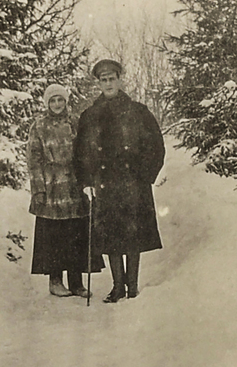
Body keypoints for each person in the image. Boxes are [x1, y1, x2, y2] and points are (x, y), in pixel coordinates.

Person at [74, 59, 165, 303]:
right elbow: (80, 151)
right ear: (98, 83)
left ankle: (132, 286)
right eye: (103, 80)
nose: (108, 84)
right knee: (111, 236)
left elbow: (156, 146)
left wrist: (145, 175)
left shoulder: (138, 111)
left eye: (111, 79)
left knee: (133, 234)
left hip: (132, 183)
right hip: (105, 184)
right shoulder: (90, 115)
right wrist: (86, 181)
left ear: (119, 79)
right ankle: (118, 287)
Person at [27, 84, 104, 298]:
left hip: (74, 187)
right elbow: (34, 161)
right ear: (47, 103)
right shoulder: (39, 126)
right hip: (51, 189)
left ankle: (77, 283)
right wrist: (38, 190)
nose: (57, 104)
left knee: (76, 235)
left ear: (66, 101)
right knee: (55, 237)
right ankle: (55, 281)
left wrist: (89, 179)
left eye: (60, 100)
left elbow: (87, 152)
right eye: (52, 101)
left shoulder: (76, 123)